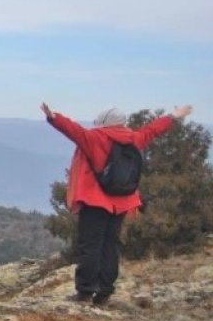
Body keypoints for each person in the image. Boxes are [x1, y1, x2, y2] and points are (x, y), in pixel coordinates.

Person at [41, 102, 192, 305]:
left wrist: (53, 116)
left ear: (103, 121)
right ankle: (104, 292)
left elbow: (72, 130)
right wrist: (175, 115)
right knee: (110, 246)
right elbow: (154, 129)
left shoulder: (95, 138)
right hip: (122, 202)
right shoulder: (134, 138)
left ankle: (85, 292)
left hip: (95, 200)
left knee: (91, 246)